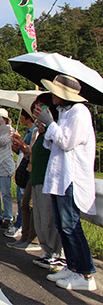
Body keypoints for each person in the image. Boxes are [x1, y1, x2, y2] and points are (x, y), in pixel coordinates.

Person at [35, 75, 97, 291]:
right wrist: (47, 128)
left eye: (54, 92)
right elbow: (53, 145)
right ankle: (73, 266)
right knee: (63, 225)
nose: (52, 95)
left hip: (71, 178)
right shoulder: (64, 113)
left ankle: (86, 273)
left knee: (71, 225)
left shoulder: (80, 113)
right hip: (59, 178)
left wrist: (51, 124)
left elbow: (67, 142)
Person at [27, 94, 65, 272]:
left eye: (41, 107)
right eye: (36, 107)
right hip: (36, 179)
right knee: (41, 219)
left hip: (47, 180)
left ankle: (56, 254)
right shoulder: (39, 132)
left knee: (48, 219)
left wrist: (47, 126)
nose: (37, 111)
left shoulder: (54, 130)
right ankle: (48, 252)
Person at [6, 108, 37, 242]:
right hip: (22, 167)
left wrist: (21, 143)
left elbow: (30, 150)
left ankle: (22, 228)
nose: (22, 119)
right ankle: (21, 227)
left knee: (24, 201)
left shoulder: (34, 131)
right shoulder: (29, 132)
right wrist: (16, 147)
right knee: (21, 201)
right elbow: (23, 152)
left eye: (23, 116)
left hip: (28, 170)